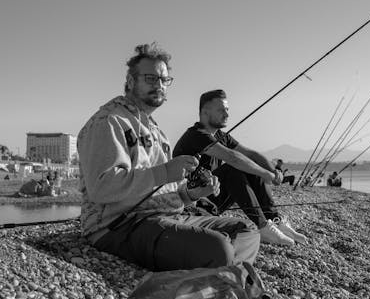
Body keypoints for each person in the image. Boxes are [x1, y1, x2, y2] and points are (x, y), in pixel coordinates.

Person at [77, 44, 260, 271]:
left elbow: (165, 191)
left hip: (166, 217)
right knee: (218, 247)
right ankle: (233, 282)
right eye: (151, 78)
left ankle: (228, 281)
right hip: (120, 226)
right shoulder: (109, 121)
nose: (160, 85)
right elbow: (101, 187)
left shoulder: (156, 132)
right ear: (131, 81)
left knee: (246, 230)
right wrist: (163, 172)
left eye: (164, 80)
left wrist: (191, 194)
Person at [173, 89, 307, 246]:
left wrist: (273, 171)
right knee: (234, 169)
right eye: (221, 110)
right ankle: (262, 226)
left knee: (250, 165)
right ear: (205, 112)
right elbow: (233, 158)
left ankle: (275, 220)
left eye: (227, 110)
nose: (227, 114)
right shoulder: (195, 135)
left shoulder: (221, 136)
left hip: (211, 197)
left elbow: (250, 154)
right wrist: (265, 174)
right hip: (192, 205)